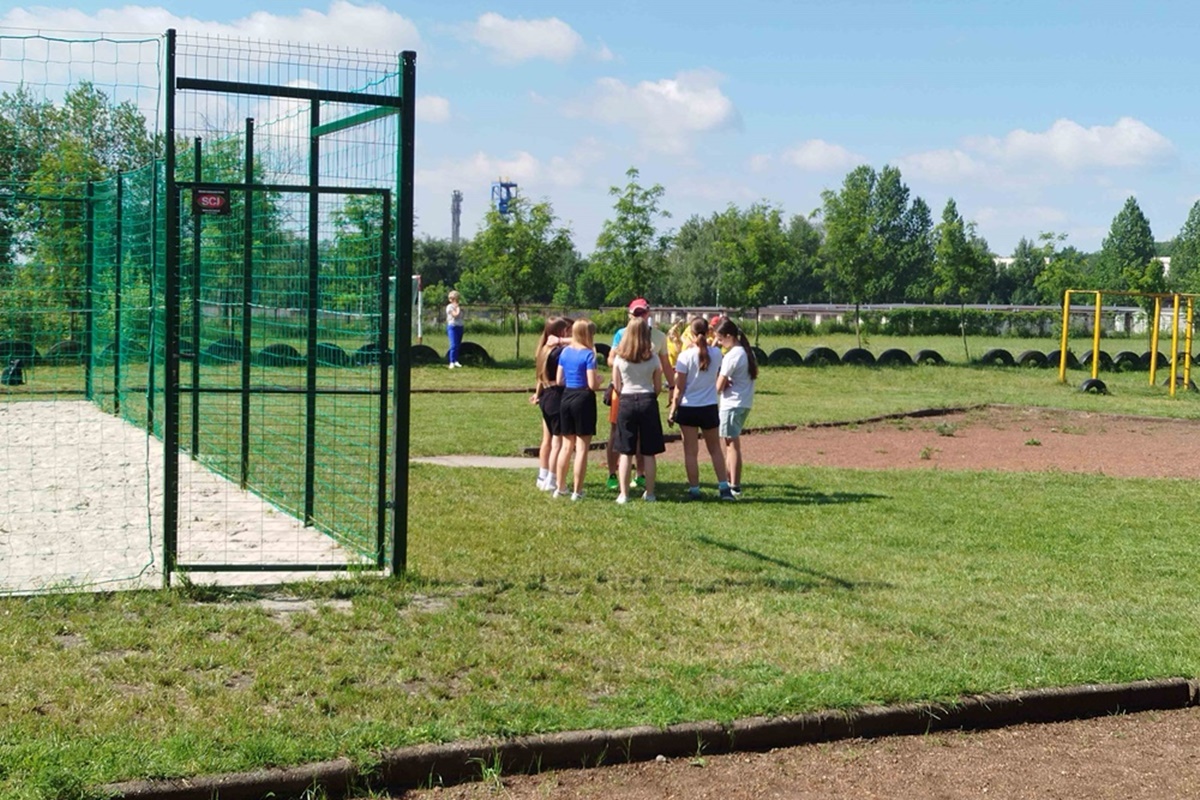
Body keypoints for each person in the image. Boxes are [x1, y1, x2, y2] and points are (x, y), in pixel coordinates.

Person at [605, 298, 673, 491]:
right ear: (629, 314)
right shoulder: (621, 334)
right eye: (635, 313)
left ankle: (640, 474)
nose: (639, 317)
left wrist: (673, 387)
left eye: (642, 313)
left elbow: (665, 365)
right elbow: (611, 360)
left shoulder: (659, 337)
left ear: (648, 313)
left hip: (638, 391)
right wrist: (625, 358)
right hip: (628, 390)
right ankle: (612, 473)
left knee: (642, 438)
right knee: (617, 433)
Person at [669, 316, 734, 501]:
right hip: (709, 406)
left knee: (690, 451)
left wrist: (673, 409)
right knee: (715, 449)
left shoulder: (685, 356)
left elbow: (679, 388)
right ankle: (724, 487)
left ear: (691, 332)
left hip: (688, 406)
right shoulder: (715, 354)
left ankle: (694, 489)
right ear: (708, 332)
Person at [610, 317, 665, 503]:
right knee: (649, 451)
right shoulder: (653, 357)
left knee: (626, 451)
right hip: (648, 400)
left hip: (626, 400)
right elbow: (658, 386)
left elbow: (616, 385)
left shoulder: (619, 357)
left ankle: (624, 494)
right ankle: (650, 493)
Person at [554, 319, 601, 500]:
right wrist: (599, 380)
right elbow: (592, 384)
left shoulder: (565, 352)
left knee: (566, 446)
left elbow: (559, 380)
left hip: (566, 397)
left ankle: (560, 487)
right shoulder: (589, 355)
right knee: (581, 448)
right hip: (583, 399)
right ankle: (577, 491)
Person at [714, 317, 758, 498]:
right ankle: (732, 481)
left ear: (729, 336)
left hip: (731, 404)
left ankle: (734, 484)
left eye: (720, 339)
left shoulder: (732, 355)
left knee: (731, 444)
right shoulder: (747, 353)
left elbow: (718, 386)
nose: (719, 343)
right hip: (744, 402)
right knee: (732, 443)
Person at [530, 317, 572, 492]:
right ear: (562, 332)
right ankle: (552, 479)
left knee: (547, 440)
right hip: (556, 395)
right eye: (568, 331)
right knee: (558, 442)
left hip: (546, 395)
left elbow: (540, 377)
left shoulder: (543, 350)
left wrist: (538, 393)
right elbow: (584, 341)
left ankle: (543, 475)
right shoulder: (560, 352)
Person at [445, 290, 464, 369]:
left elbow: (462, 316)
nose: (452, 300)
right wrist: (458, 308)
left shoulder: (459, 306)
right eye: (451, 299)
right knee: (453, 345)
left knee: (458, 345)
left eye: (454, 298)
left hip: (460, 326)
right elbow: (455, 315)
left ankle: (456, 360)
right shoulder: (450, 307)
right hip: (452, 326)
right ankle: (451, 361)